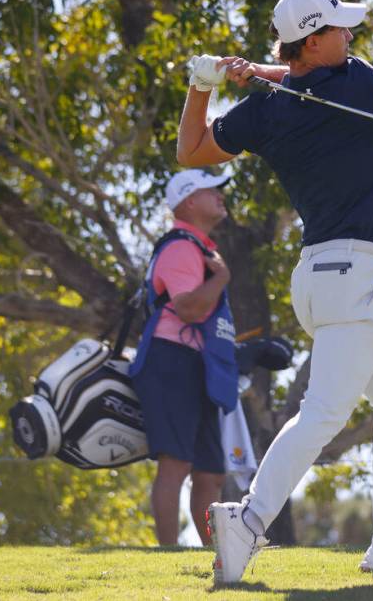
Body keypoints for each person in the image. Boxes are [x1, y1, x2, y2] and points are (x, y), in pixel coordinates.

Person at [177, 0, 373, 583]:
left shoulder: (267, 109)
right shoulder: (358, 83)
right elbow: (299, 76)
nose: (351, 35)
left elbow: (191, 150)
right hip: (354, 277)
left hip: (319, 280)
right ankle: (249, 520)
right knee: (323, 413)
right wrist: (258, 73)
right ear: (315, 40)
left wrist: (204, 84)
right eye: (340, 28)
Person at [129, 168, 238, 546]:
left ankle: (218, 556)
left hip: (197, 365)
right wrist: (221, 279)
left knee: (210, 473)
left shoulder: (201, 247)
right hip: (171, 360)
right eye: (213, 191)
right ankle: (169, 554)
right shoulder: (180, 246)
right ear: (190, 201)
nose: (221, 196)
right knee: (175, 463)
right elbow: (189, 309)